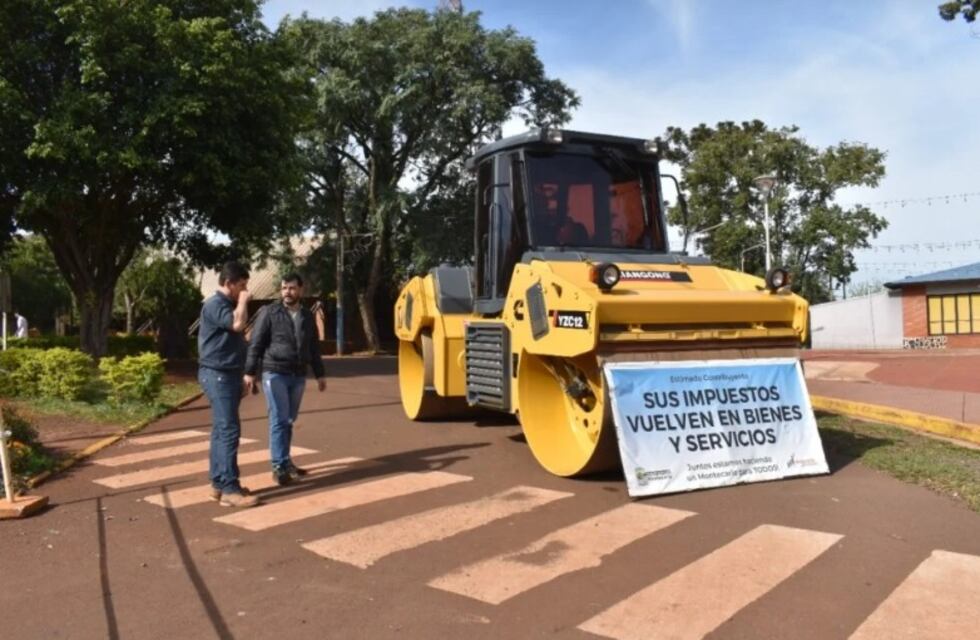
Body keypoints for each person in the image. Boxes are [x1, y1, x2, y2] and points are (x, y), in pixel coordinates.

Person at [244, 272, 326, 486]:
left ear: (301, 290)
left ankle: (286, 460)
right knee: (279, 419)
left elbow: (313, 347)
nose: (287, 292)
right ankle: (278, 466)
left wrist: (320, 374)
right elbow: (256, 343)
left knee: (288, 420)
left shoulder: (307, 316)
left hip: (298, 375)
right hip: (274, 373)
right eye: (284, 288)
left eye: (291, 288)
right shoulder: (270, 312)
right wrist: (250, 371)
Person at [198, 261, 258, 508]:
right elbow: (237, 325)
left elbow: (236, 336)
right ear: (228, 283)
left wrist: (243, 374)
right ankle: (230, 489)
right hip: (218, 374)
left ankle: (219, 483)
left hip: (227, 374)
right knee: (229, 431)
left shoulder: (224, 305)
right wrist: (243, 301)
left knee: (222, 431)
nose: (245, 289)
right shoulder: (215, 304)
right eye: (242, 285)